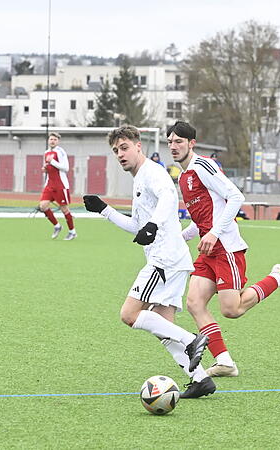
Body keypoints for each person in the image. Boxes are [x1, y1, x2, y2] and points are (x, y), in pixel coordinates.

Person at [83, 125, 214, 399]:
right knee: (162, 326)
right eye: (116, 150)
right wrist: (104, 209)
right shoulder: (139, 178)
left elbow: (168, 197)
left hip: (164, 258)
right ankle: (200, 379)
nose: (120, 154)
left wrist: (153, 225)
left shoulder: (152, 172)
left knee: (129, 314)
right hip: (174, 258)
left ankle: (192, 340)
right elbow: (137, 226)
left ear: (138, 145)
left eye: (124, 147)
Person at [168, 121, 280, 378]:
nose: (173, 146)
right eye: (170, 142)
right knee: (194, 303)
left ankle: (278, 278)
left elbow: (236, 197)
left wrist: (213, 232)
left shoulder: (203, 166)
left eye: (178, 141)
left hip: (226, 248)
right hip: (208, 248)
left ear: (191, 143)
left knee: (232, 309)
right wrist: (178, 237)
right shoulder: (185, 177)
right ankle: (224, 362)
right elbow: (201, 221)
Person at [39, 132, 76, 240]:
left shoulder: (60, 152)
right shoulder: (46, 153)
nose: (52, 141)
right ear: (48, 140)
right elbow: (49, 167)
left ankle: (72, 231)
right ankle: (57, 226)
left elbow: (66, 168)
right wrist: (45, 169)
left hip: (60, 185)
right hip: (49, 185)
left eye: (55, 139)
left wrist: (53, 162)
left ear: (58, 141)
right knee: (43, 206)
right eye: (51, 139)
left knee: (64, 209)